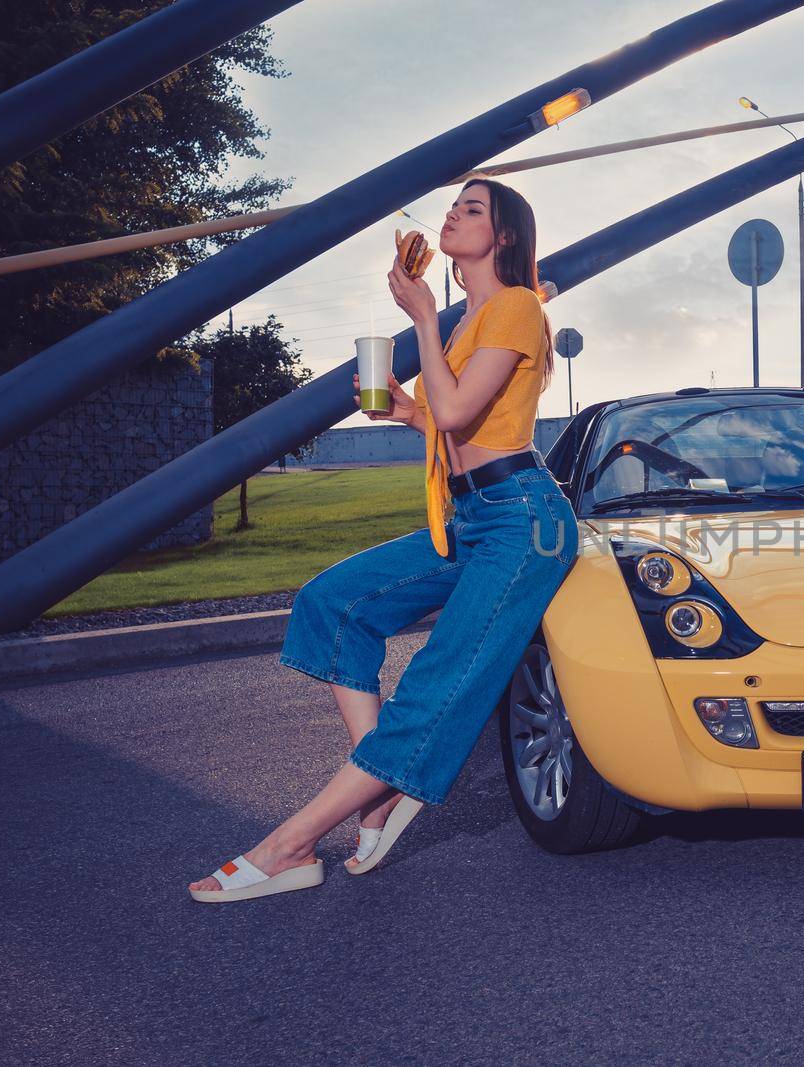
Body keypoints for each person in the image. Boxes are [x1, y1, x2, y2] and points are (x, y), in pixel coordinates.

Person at [189, 179, 579, 902]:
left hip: (523, 520)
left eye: (472, 210)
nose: (452, 216)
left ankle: (292, 844)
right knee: (335, 603)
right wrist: (406, 411)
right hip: (468, 518)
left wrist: (423, 318)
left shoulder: (518, 307)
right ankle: (379, 792)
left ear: (503, 238)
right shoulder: (469, 322)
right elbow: (451, 424)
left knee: (435, 681)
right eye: (452, 206)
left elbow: (460, 409)